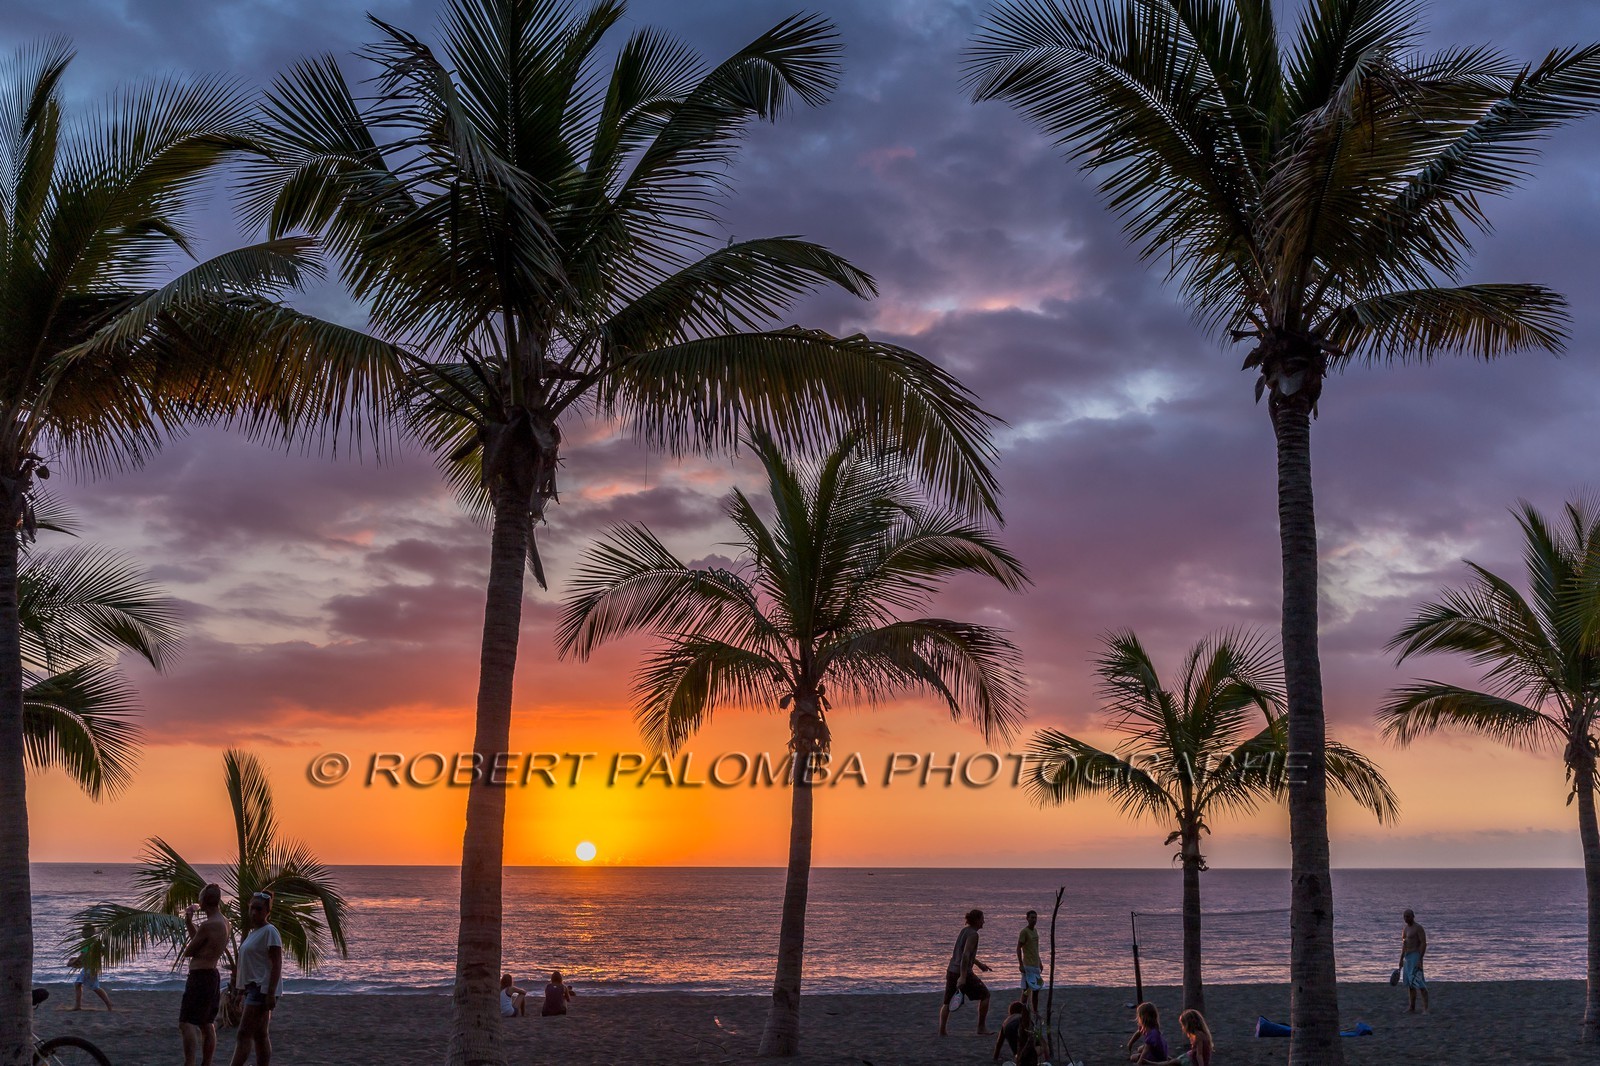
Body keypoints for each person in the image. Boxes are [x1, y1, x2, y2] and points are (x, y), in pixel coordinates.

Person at [229, 891, 283, 1066]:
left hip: (262, 989)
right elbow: (250, 965)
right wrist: (240, 991)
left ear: (267, 910)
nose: (253, 913)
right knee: (260, 1035)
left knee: (243, 1033)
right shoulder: (255, 932)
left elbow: (276, 964)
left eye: (258, 909)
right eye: (251, 908)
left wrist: (270, 993)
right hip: (253, 988)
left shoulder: (270, 931)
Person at [179, 883, 230, 1066]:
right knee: (207, 1023)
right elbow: (201, 942)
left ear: (203, 902)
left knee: (186, 1022)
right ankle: (206, 1063)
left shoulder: (209, 925)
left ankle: (190, 1062)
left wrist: (189, 920)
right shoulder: (224, 922)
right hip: (213, 975)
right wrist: (189, 924)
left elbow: (190, 950)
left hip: (200, 976)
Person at [939, 908, 993, 1037]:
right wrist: (963, 977)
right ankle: (981, 1027)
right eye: (982, 919)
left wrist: (980, 965)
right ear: (976, 920)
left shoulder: (964, 931)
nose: (984, 922)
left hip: (951, 970)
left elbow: (967, 954)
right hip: (963, 973)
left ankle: (942, 1031)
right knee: (985, 995)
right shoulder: (973, 934)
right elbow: (965, 955)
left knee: (947, 1002)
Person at [69, 924, 113, 1012]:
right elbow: (103, 951)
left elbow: (83, 954)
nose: (82, 933)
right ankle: (78, 1006)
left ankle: (108, 1004)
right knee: (78, 984)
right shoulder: (95, 941)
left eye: (83, 931)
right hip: (90, 966)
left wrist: (73, 962)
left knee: (95, 987)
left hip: (90, 968)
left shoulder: (88, 942)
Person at [1400, 908, 1429, 1013]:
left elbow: (1423, 943)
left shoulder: (1418, 928)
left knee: (1419, 982)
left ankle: (1425, 1008)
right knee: (1410, 984)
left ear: (1413, 916)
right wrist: (1401, 959)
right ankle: (1412, 1007)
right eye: (1404, 916)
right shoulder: (1405, 929)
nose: (1406, 918)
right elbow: (1404, 945)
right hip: (1407, 958)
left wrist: (1420, 959)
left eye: (1408, 916)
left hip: (1415, 956)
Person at [1016, 910, 1043, 1012]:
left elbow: (1035, 948)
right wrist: (1020, 964)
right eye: (1031, 917)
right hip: (1028, 966)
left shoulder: (1035, 931)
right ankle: (1021, 1010)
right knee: (1027, 990)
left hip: (1035, 965)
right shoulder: (1024, 932)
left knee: (1036, 990)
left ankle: (1035, 1012)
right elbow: (1018, 948)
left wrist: (1040, 962)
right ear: (1027, 918)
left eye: (1035, 918)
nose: (1034, 920)